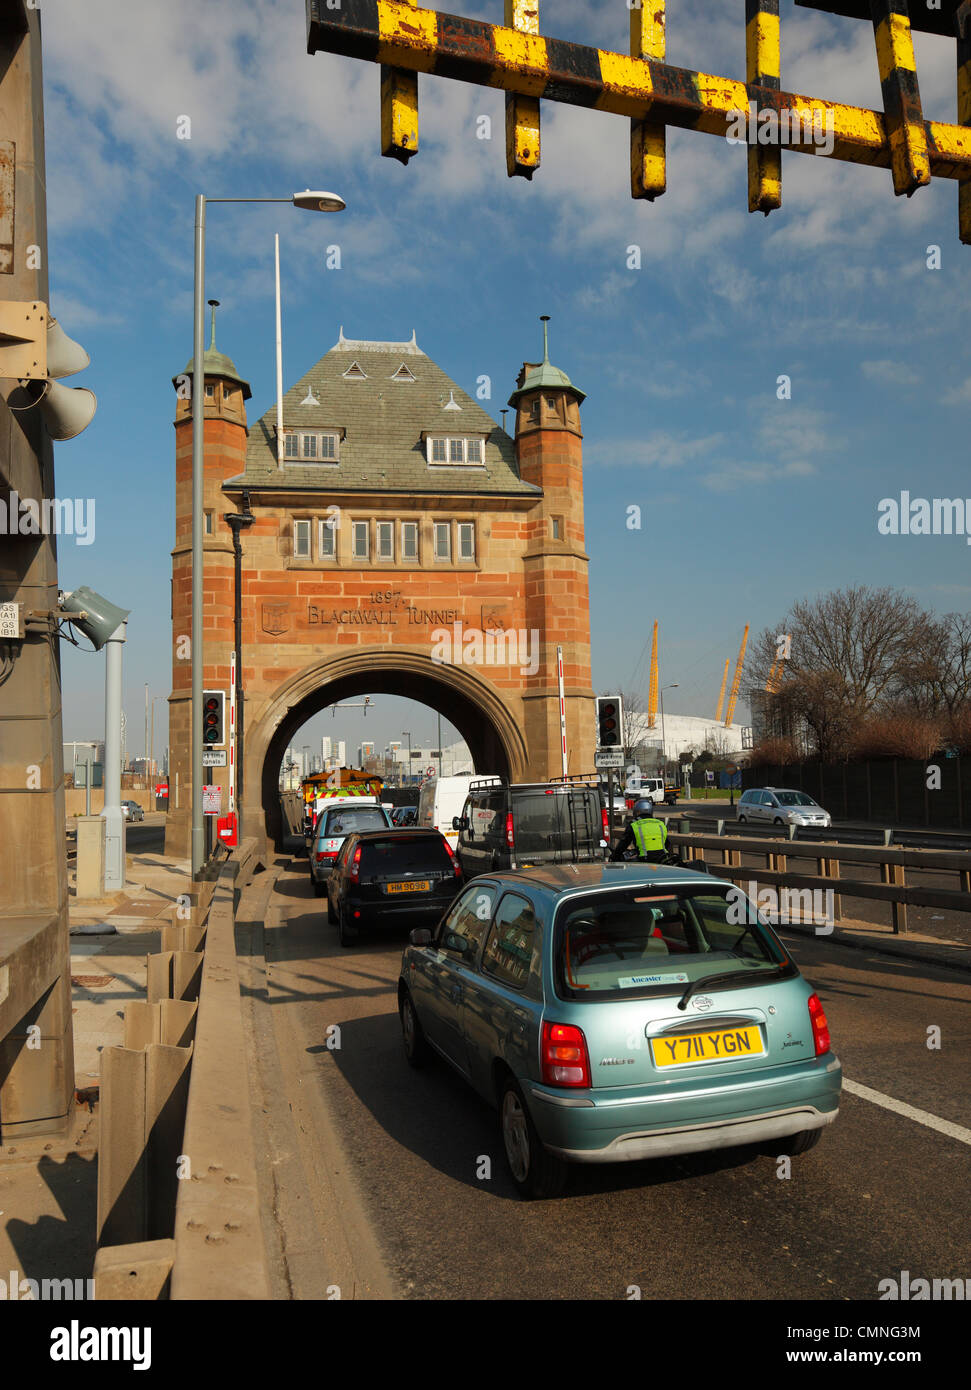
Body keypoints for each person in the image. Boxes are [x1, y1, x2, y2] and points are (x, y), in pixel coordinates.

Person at [610, 796, 671, 863]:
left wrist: (615, 856)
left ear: (637, 812)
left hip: (644, 860)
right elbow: (667, 843)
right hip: (663, 858)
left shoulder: (634, 824)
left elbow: (623, 844)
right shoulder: (660, 824)